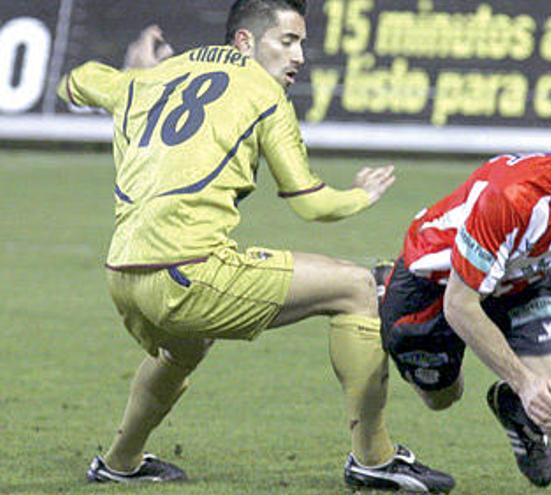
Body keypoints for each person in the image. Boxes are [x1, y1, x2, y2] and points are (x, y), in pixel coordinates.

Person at [56, 1, 453, 492]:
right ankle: (375, 459)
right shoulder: (265, 94)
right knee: (356, 287)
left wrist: (134, 71)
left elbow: (73, 81)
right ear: (244, 42)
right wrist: (359, 196)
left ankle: (120, 462)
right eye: (287, 41)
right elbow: (311, 204)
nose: (299, 56)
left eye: (302, 43)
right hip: (188, 270)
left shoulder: (148, 79)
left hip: (122, 274)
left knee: (182, 349)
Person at [377, 95, 551, 487]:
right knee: (441, 397)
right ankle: (380, 287)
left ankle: (512, 406)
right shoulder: (514, 196)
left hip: (520, 282)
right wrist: (526, 381)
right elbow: (459, 305)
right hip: (436, 285)